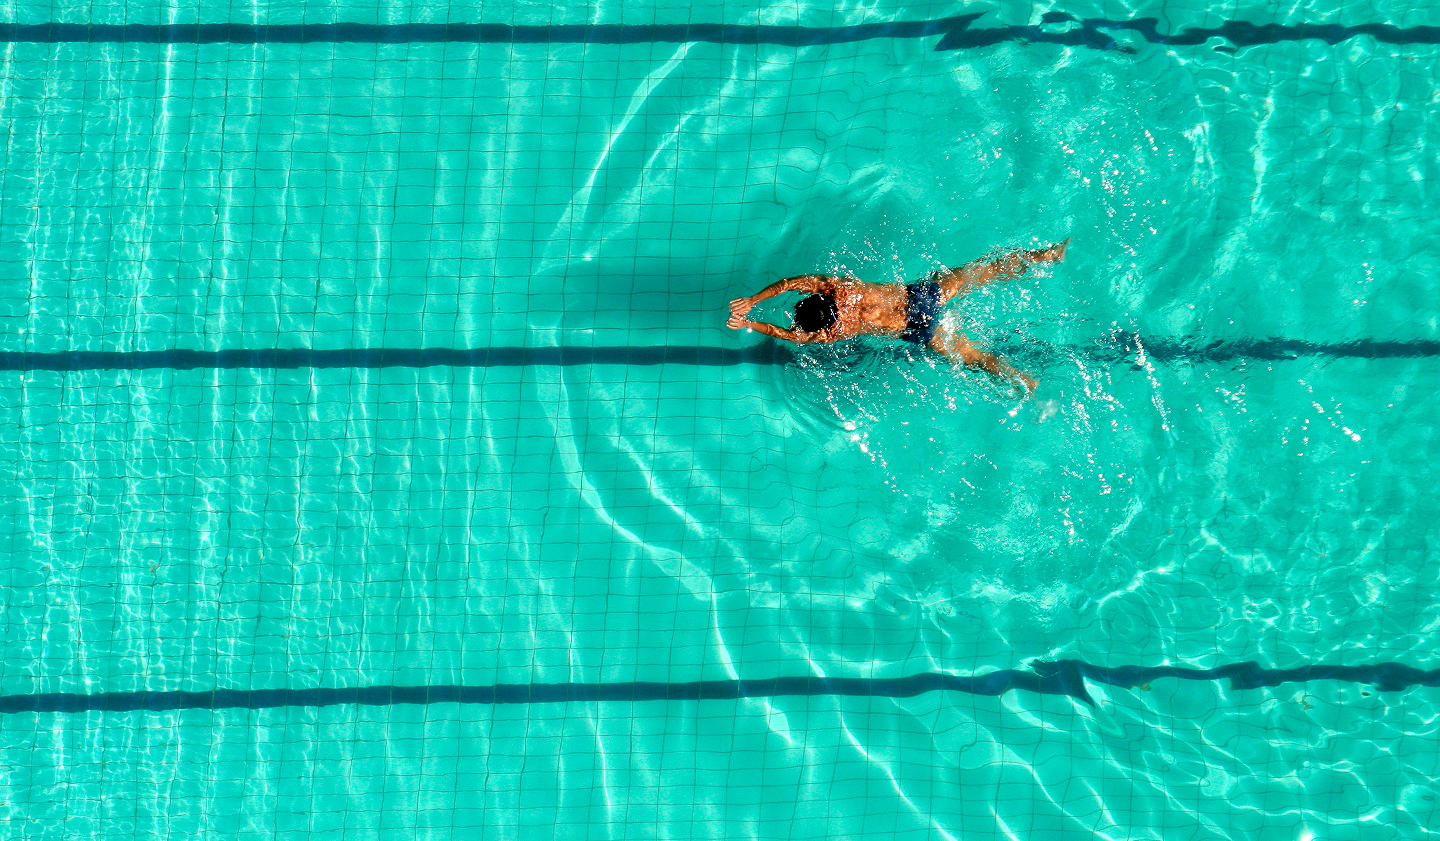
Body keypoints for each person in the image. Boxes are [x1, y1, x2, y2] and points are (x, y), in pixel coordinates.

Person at [726, 240, 1069, 390]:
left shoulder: (834, 332)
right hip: (921, 295)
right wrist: (753, 299)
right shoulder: (839, 287)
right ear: (818, 296)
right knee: (984, 271)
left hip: (916, 328)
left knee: (974, 357)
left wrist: (751, 324)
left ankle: (1026, 382)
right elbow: (792, 281)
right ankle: (1045, 256)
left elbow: (792, 336)